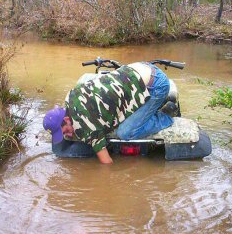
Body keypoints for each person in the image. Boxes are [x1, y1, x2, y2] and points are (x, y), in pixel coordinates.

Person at [43, 62, 174, 164]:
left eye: (65, 131)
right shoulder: (70, 96)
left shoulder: (87, 126)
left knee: (125, 132)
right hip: (139, 68)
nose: (68, 135)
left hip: (156, 84)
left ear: (66, 119)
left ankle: (166, 115)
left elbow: (107, 162)